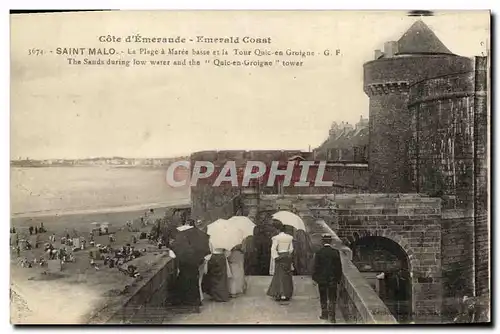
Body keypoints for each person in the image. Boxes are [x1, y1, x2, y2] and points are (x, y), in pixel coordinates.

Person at [312, 234, 343, 323]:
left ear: (322, 241)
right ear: (331, 241)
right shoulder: (335, 252)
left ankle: (324, 314)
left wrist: (315, 278)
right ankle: (332, 317)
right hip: (332, 279)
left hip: (322, 279)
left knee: (323, 297)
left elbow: (316, 267)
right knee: (332, 298)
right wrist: (338, 278)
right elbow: (338, 267)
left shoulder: (319, 252)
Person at [266, 223, 294, 301]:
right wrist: (287, 255)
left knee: (279, 275)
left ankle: (280, 294)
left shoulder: (276, 238)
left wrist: (276, 257)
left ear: (278, 230)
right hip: (287, 257)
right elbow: (291, 249)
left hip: (280, 256)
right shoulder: (290, 238)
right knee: (287, 275)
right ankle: (286, 293)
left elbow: (273, 248)